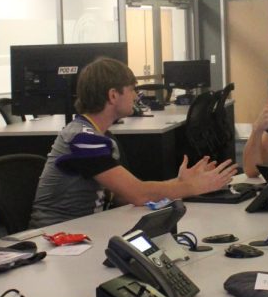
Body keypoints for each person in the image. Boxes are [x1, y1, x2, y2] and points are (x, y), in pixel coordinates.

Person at [28, 57, 236, 229]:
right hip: (55, 235)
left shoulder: (101, 137)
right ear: (113, 95)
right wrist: (191, 187)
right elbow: (137, 193)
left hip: (83, 230)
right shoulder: (83, 139)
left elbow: (123, 195)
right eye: (132, 89)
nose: (136, 96)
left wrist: (180, 184)